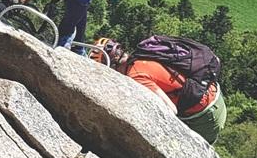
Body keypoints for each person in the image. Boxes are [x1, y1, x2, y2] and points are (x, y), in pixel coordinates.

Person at [90, 38, 226, 145]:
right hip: (213, 93)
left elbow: (171, 110)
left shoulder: (137, 76)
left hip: (205, 115)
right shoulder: (143, 54)